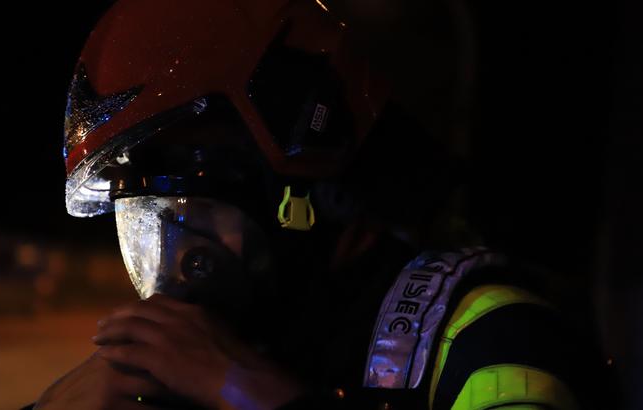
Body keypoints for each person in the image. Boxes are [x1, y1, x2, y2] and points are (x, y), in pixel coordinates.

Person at [32, 0, 602, 409]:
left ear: (311, 182)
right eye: (147, 219)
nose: (173, 252)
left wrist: (246, 390)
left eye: (189, 202)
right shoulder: (197, 367)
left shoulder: (496, 337)